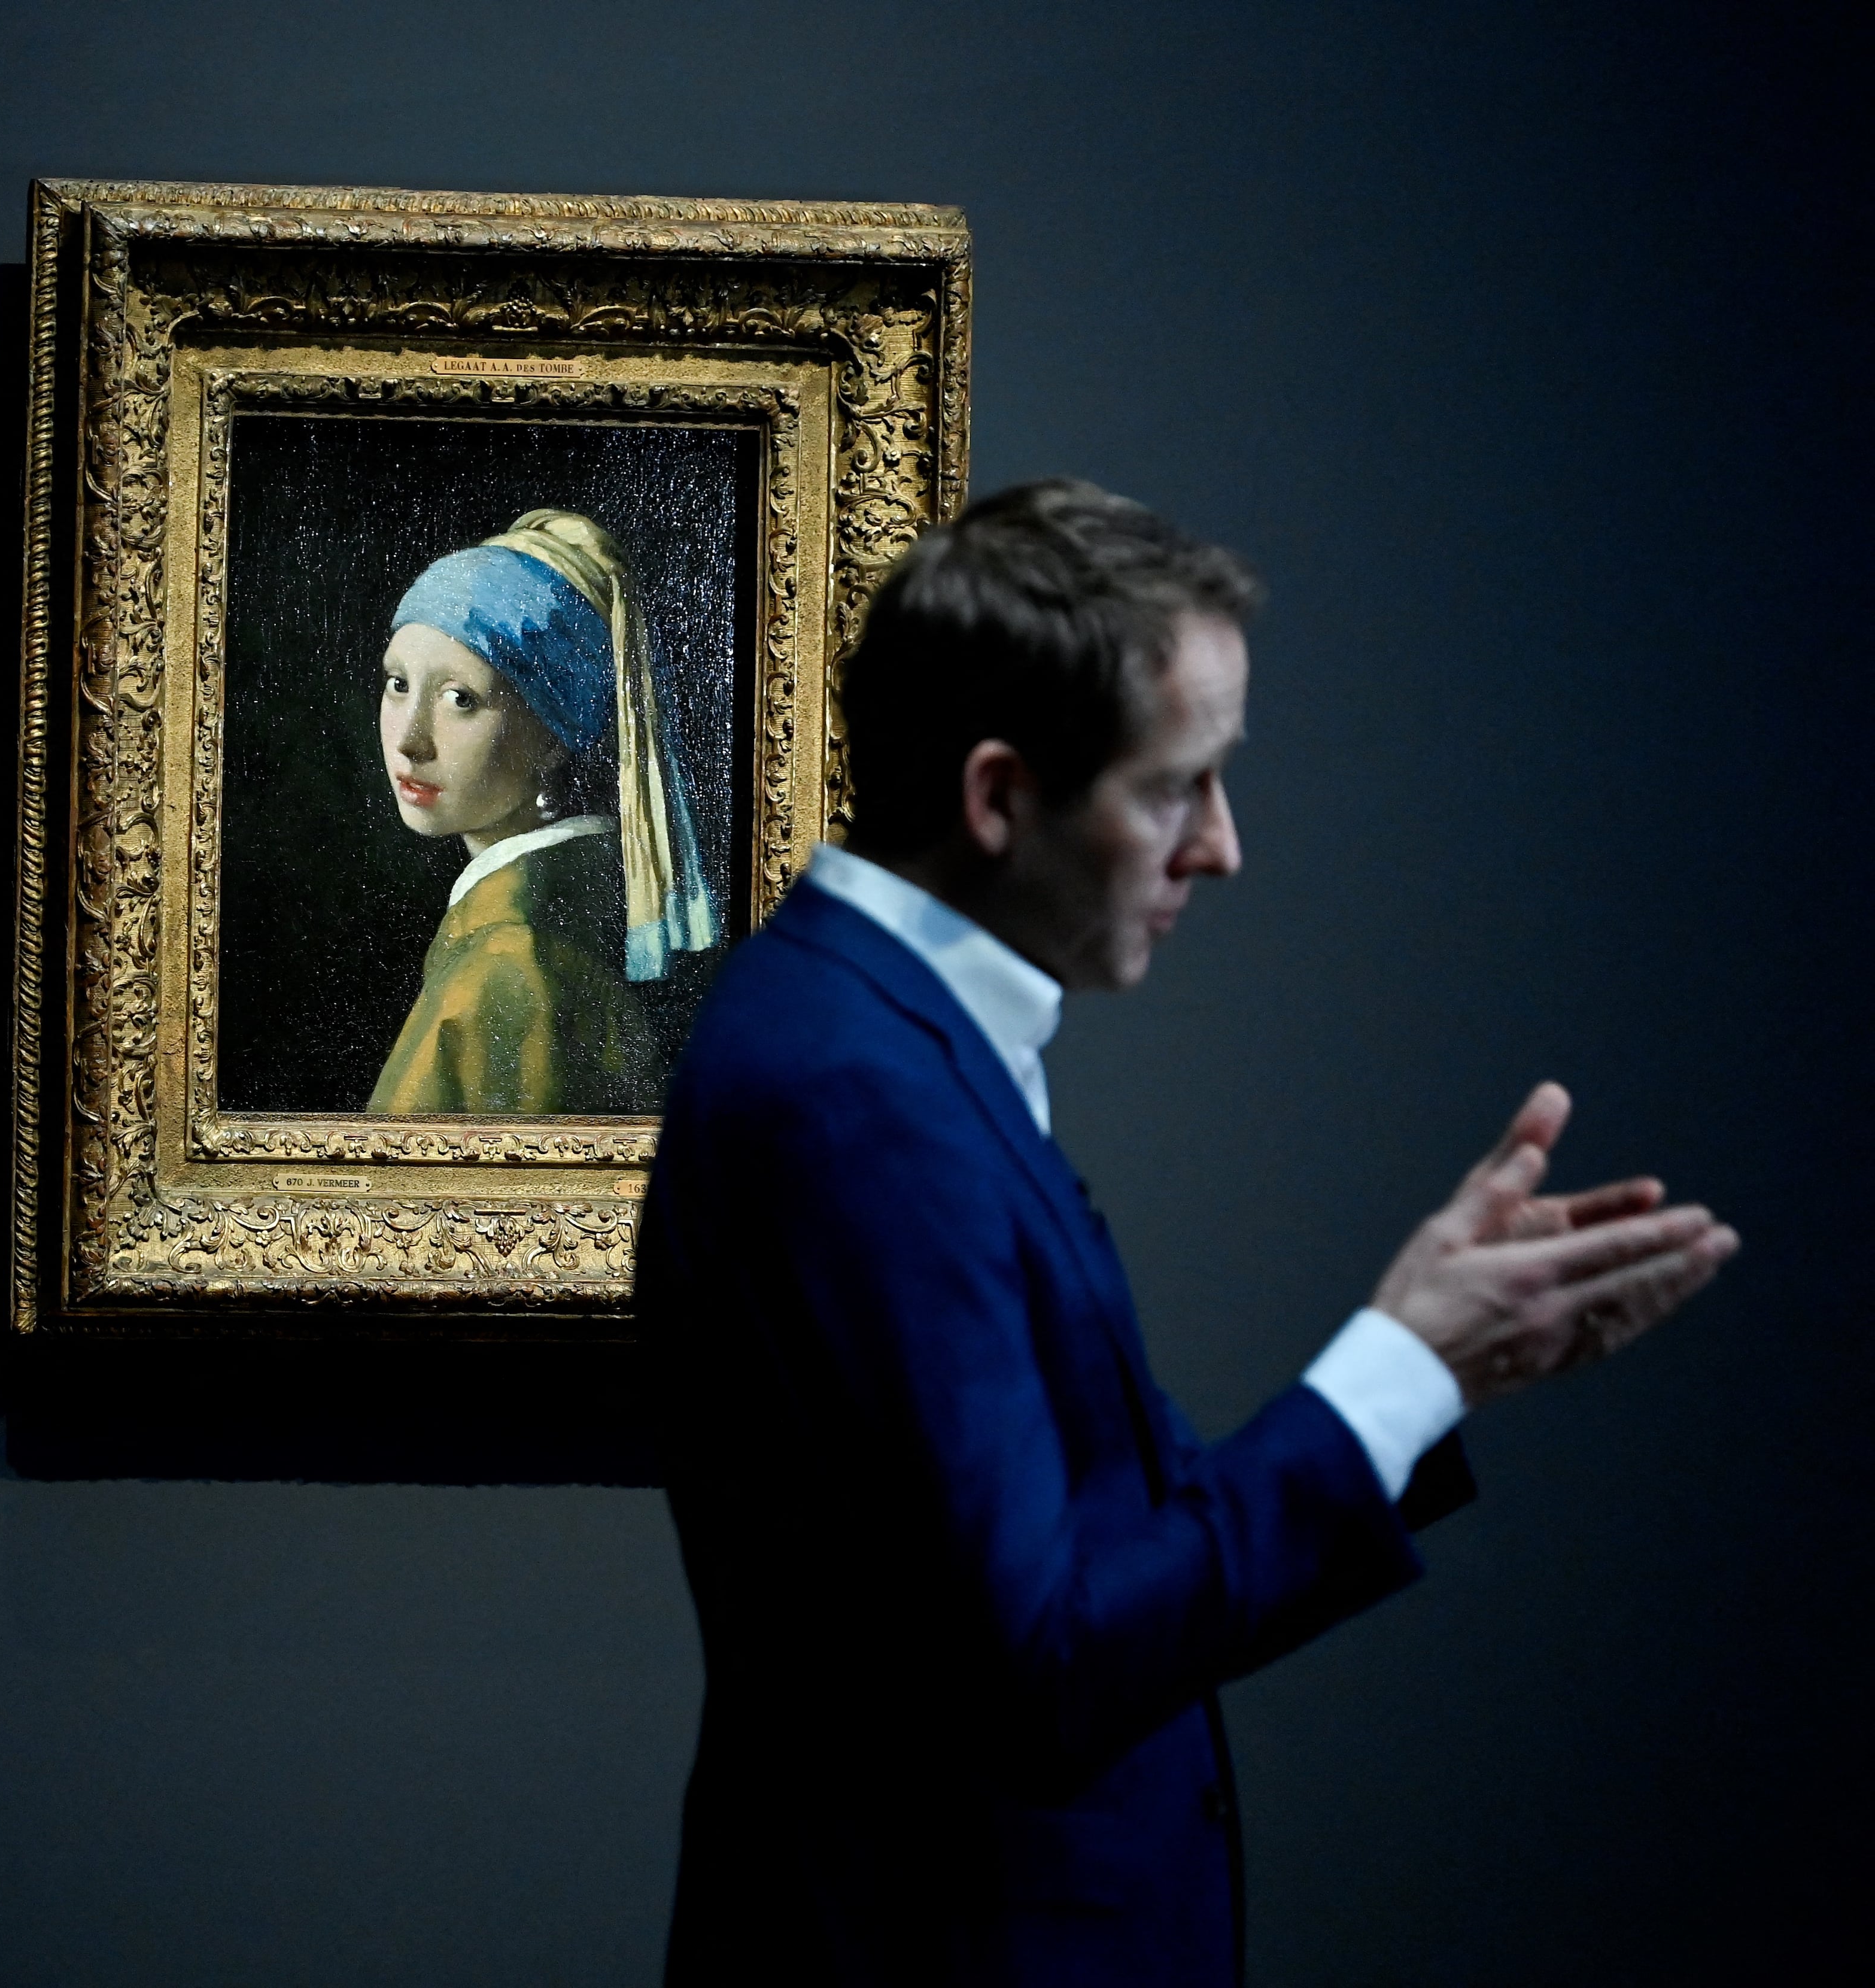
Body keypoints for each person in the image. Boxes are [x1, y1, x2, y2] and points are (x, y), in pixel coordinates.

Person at [639, 479, 1737, 1986]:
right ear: (997, 796)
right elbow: (1043, 1663)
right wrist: (1394, 1371)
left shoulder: (887, 1037)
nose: (1219, 847)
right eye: (1177, 788)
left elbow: (1086, 1566)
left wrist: (1434, 1368)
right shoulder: (853, 1089)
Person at [367, 507, 718, 1115]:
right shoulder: (556, 921)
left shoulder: (510, 964)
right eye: (398, 684)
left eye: (460, 699)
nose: (409, 739)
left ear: (555, 734)